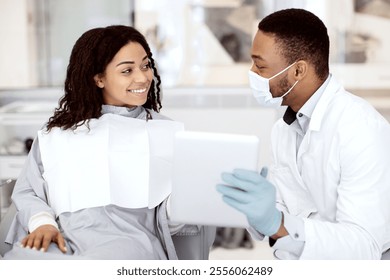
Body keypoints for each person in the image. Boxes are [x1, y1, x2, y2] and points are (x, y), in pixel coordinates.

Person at [3, 25, 214, 259]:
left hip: (129, 244)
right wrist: (43, 223)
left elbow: (169, 221)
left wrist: (193, 191)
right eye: (127, 71)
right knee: (20, 261)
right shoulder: (58, 133)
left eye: (146, 65)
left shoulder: (165, 132)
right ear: (99, 78)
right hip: (61, 240)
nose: (143, 77)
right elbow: (28, 191)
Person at [217, 8, 390, 259]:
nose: (252, 73)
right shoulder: (283, 129)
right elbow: (291, 207)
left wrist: (277, 222)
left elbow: (364, 245)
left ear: (298, 71)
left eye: (260, 65)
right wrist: (253, 205)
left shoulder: (361, 130)